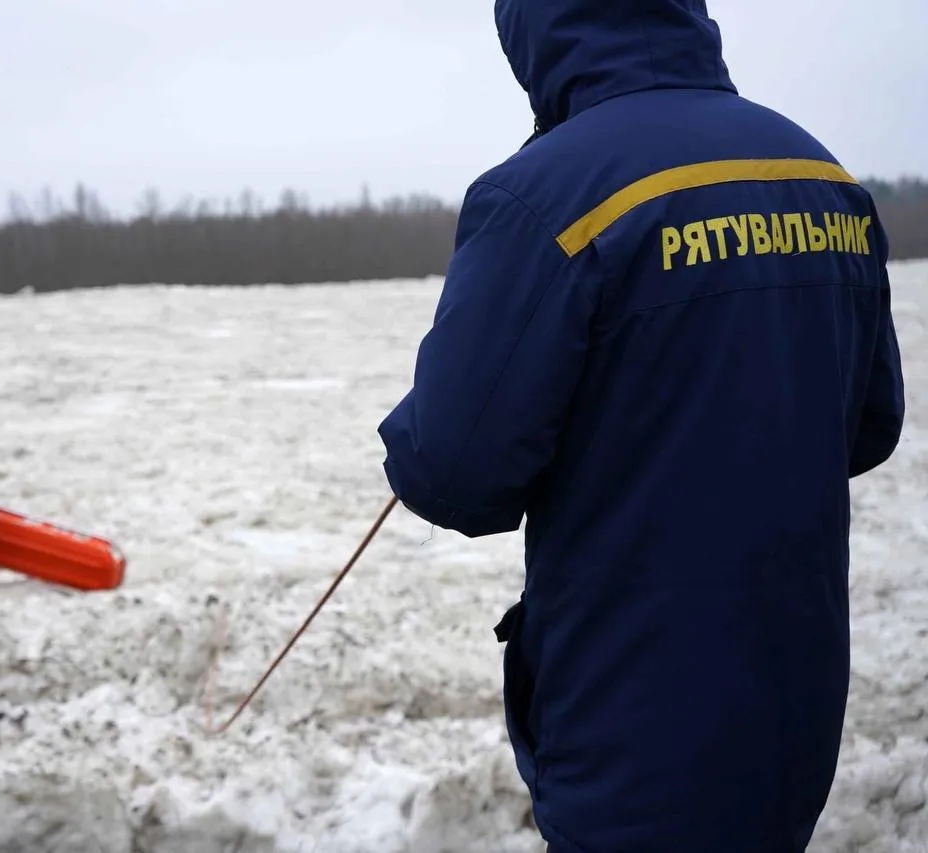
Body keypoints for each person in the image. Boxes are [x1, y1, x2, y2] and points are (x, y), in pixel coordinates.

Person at [376, 1, 905, 850]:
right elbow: (871, 423)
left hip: (634, 709)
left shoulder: (543, 193)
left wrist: (416, 426)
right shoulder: (820, 173)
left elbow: (455, 470)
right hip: (794, 701)